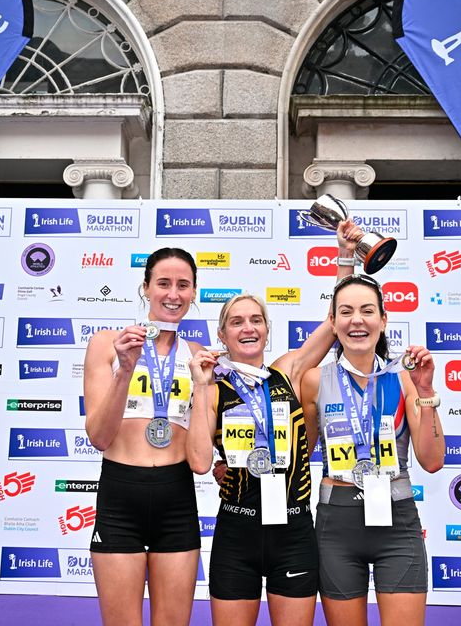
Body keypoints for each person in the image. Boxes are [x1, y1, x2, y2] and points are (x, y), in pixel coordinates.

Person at [187, 220, 362, 626]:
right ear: (222, 334)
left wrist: (345, 258)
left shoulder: (288, 371)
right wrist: (199, 387)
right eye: (236, 322)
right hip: (237, 528)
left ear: (267, 331)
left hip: (294, 529)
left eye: (256, 320)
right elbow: (198, 462)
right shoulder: (213, 389)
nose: (247, 327)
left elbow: (335, 322)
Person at [300, 274, 445, 626]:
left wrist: (426, 392)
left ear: (383, 319)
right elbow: (299, 455)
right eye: (346, 312)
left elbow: (432, 460)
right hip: (337, 527)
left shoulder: (405, 378)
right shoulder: (315, 380)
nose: (357, 320)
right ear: (332, 322)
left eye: (367, 310)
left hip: (397, 522)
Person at [83, 247, 204, 626]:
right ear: (146, 288)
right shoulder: (108, 344)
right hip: (121, 496)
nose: (173, 294)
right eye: (163, 283)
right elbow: (99, 437)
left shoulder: (199, 356)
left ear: (194, 292)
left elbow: (203, 450)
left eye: (183, 285)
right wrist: (126, 369)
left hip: (176, 499)